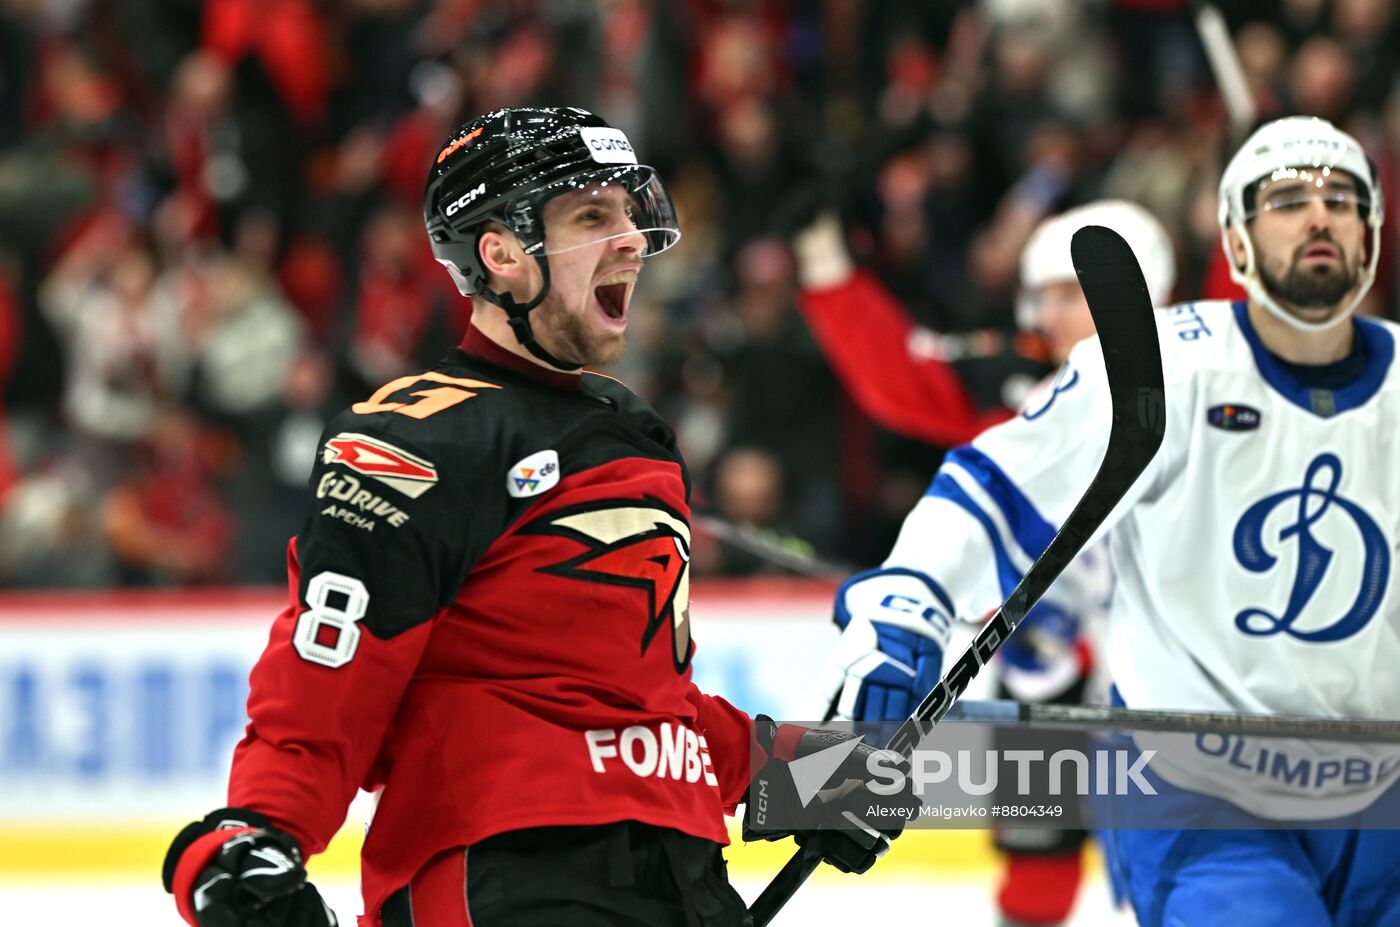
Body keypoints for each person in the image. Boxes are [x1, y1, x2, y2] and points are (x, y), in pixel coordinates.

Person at [160, 107, 907, 927]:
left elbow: (645, 707)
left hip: (683, 884)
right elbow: (328, 674)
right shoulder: (421, 432)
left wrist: (814, 779)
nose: (631, 239)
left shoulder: (633, 436)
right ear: (503, 254)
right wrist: (257, 829)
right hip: (510, 883)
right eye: (592, 215)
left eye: (629, 212)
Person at [810, 114, 1400, 927]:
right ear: (1234, 238)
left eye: (1341, 198)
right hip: (1168, 762)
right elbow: (979, 471)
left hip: (1376, 790)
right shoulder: (1133, 368)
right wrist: (913, 591)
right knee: (1036, 883)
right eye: (1288, 199)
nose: (1319, 214)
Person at [795, 198, 1177, 927]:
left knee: (1183, 873)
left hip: (1162, 670)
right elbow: (899, 376)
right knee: (1037, 883)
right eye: (1046, 294)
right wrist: (827, 266)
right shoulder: (1014, 379)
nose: (1050, 313)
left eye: (1074, 292)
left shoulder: (1206, 374)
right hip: (1049, 675)